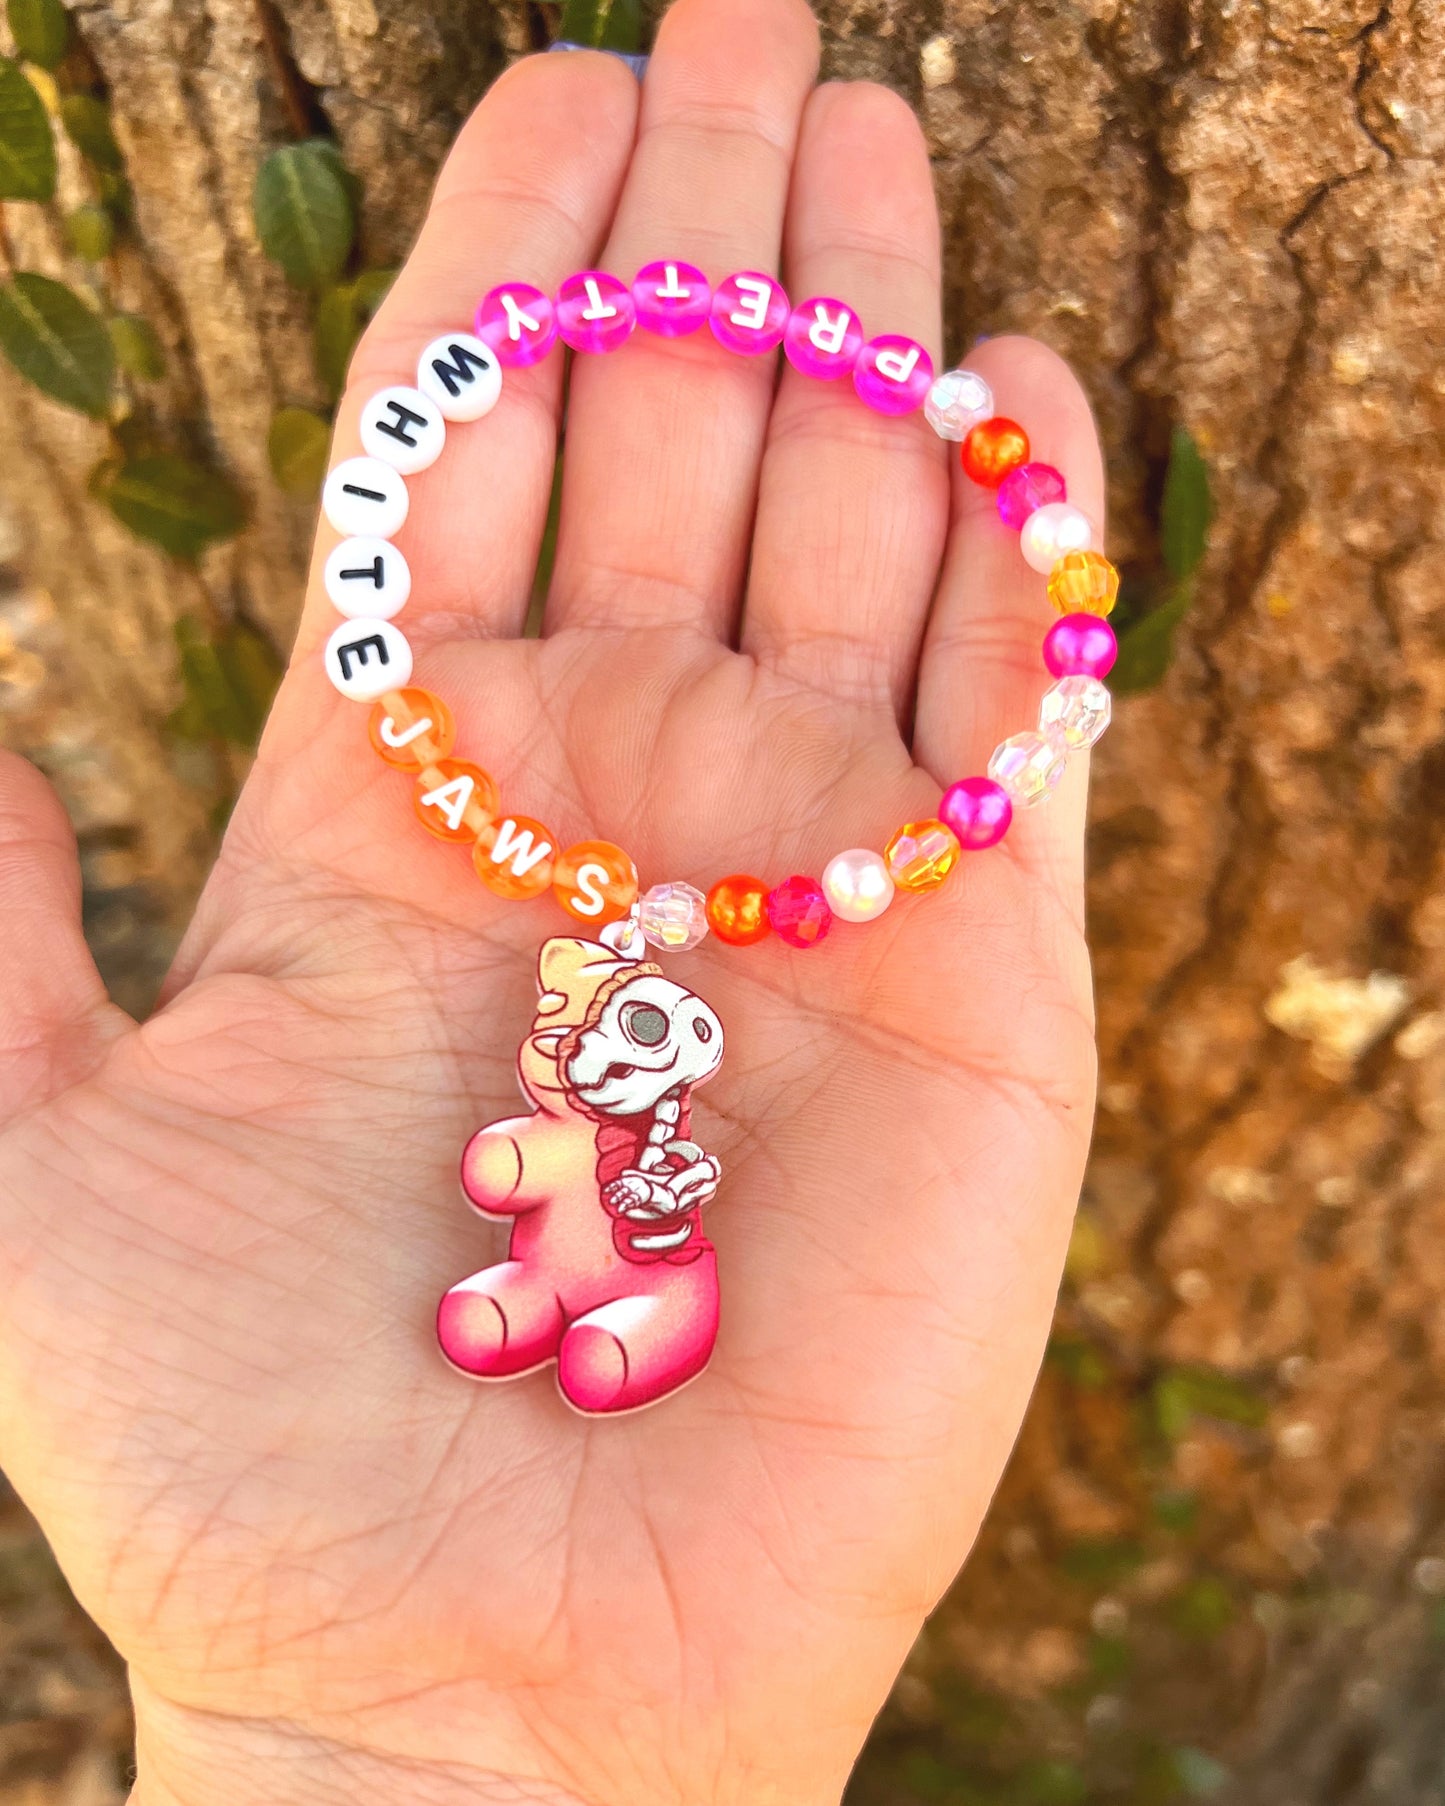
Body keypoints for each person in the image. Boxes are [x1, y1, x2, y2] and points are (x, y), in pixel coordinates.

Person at [0, 0, 1103, 1798]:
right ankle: (551, 1316)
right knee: (541, 1263)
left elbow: (579, 1160)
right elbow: (522, 1161)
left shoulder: (630, 1128)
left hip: (637, 1285)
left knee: (609, 1276)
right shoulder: (583, 1116)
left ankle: (585, 1321)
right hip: (569, 1318)